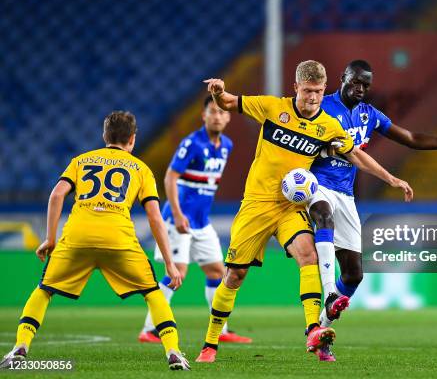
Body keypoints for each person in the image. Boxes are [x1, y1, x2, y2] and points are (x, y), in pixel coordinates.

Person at [195, 60, 412, 363]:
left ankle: (313, 329)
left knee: (308, 254)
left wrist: (391, 178)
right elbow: (230, 102)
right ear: (295, 87)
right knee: (235, 275)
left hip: (290, 206)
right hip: (256, 205)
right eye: (308, 91)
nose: (313, 97)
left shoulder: (329, 126)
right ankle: (210, 342)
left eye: (319, 92)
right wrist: (218, 93)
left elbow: (357, 156)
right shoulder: (272, 108)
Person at [308, 60, 437, 347]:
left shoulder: (369, 115)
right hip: (316, 185)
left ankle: (320, 334)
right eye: (356, 82)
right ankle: (328, 292)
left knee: (354, 275)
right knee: (324, 216)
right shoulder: (321, 107)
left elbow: (411, 138)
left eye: (366, 84)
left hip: (345, 193)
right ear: (342, 78)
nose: (361, 88)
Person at [0, 111, 190, 370]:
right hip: (118, 239)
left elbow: (56, 195)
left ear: (104, 136)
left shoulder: (81, 160)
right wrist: (170, 263)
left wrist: (50, 238)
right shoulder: (142, 169)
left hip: (78, 236)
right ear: (133, 139)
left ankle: (19, 348)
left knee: (44, 290)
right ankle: (174, 352)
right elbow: (155, 218)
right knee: (152, 293)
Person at [138, 96, 252, 344]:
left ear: (228, 117)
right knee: (177, 273)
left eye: (222, 113)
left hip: (201, 221)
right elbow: (170, 178)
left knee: (217, 271)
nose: (217, 116)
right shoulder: (191, 143)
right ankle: (149, 329)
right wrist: (178, 214)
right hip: (178, 219)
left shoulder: (227, 145)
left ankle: (220, 331)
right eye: (213, 112)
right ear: (204, 116)